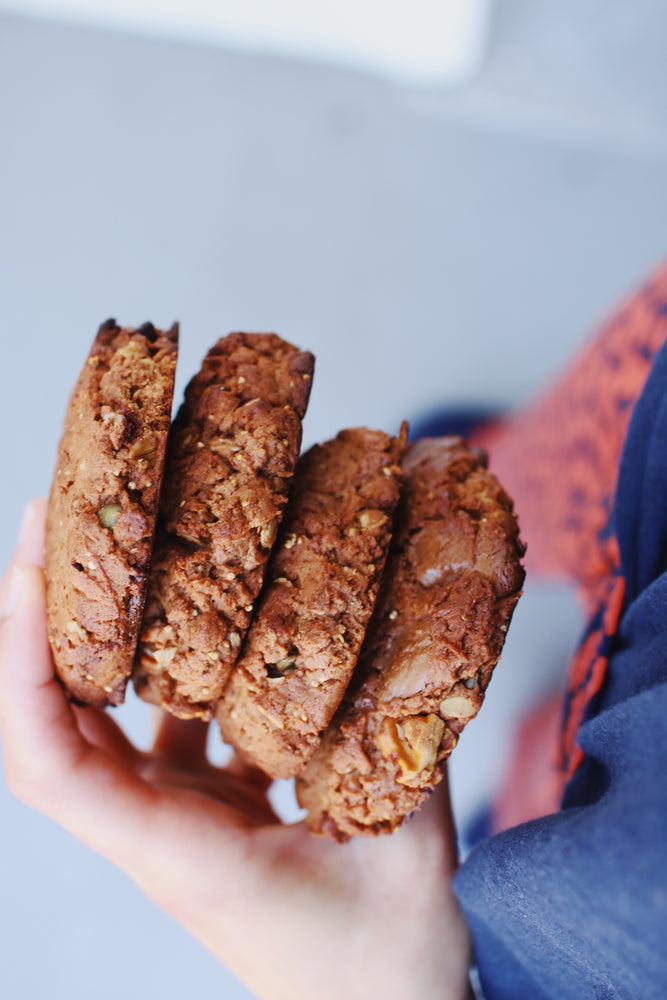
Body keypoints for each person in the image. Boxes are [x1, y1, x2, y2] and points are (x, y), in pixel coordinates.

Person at [1, 263, 666, 1000]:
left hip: (575, 925)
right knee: (567, 473)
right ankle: (501, 491)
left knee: (561, 770)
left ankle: (537, 765)